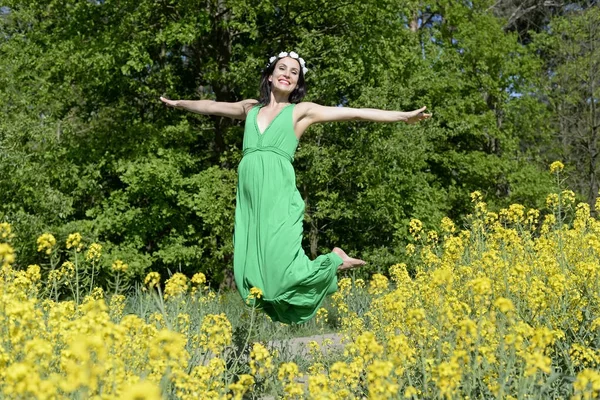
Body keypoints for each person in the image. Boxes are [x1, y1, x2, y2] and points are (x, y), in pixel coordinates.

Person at [161, 51, 431, 324]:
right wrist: (178, 103)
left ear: (297, 82)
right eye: (282, 68)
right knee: (254, 271)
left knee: (282, 267)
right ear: (269, 76)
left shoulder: (301, 112)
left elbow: (355, 113)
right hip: (251, 197)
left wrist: (402, 116)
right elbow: (211, 105)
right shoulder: (250, 108)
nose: (287, 74)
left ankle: (333, 261)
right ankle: (322, 267)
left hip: (279, 191)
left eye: (294, 72)